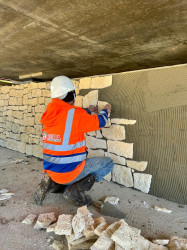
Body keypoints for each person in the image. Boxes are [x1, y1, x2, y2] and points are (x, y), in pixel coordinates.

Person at [33, 75, 114, 206]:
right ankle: (74, 190)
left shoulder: (49, 114)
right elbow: (100, 121)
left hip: (51, 170)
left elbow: (68, 119)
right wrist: (106, 110)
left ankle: (53, 184)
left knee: (62, 170)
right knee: (108, 163)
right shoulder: (76, 115)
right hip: (69, 172)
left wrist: (87, 111)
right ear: (72, 95)